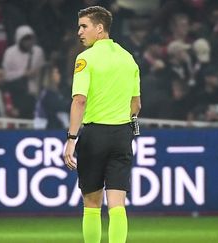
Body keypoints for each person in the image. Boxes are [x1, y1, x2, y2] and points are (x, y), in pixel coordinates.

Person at [63, 6, 141, 243]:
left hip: (95, 135)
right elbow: (136, 104)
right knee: (117, 205)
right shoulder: (128, 58)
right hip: (122, 135)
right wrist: (128, 125)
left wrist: (71, 139)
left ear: (99, 28)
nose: (79, 32)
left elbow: (80, 100)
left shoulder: (85, 58)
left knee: (92, 204)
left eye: (84, 26)